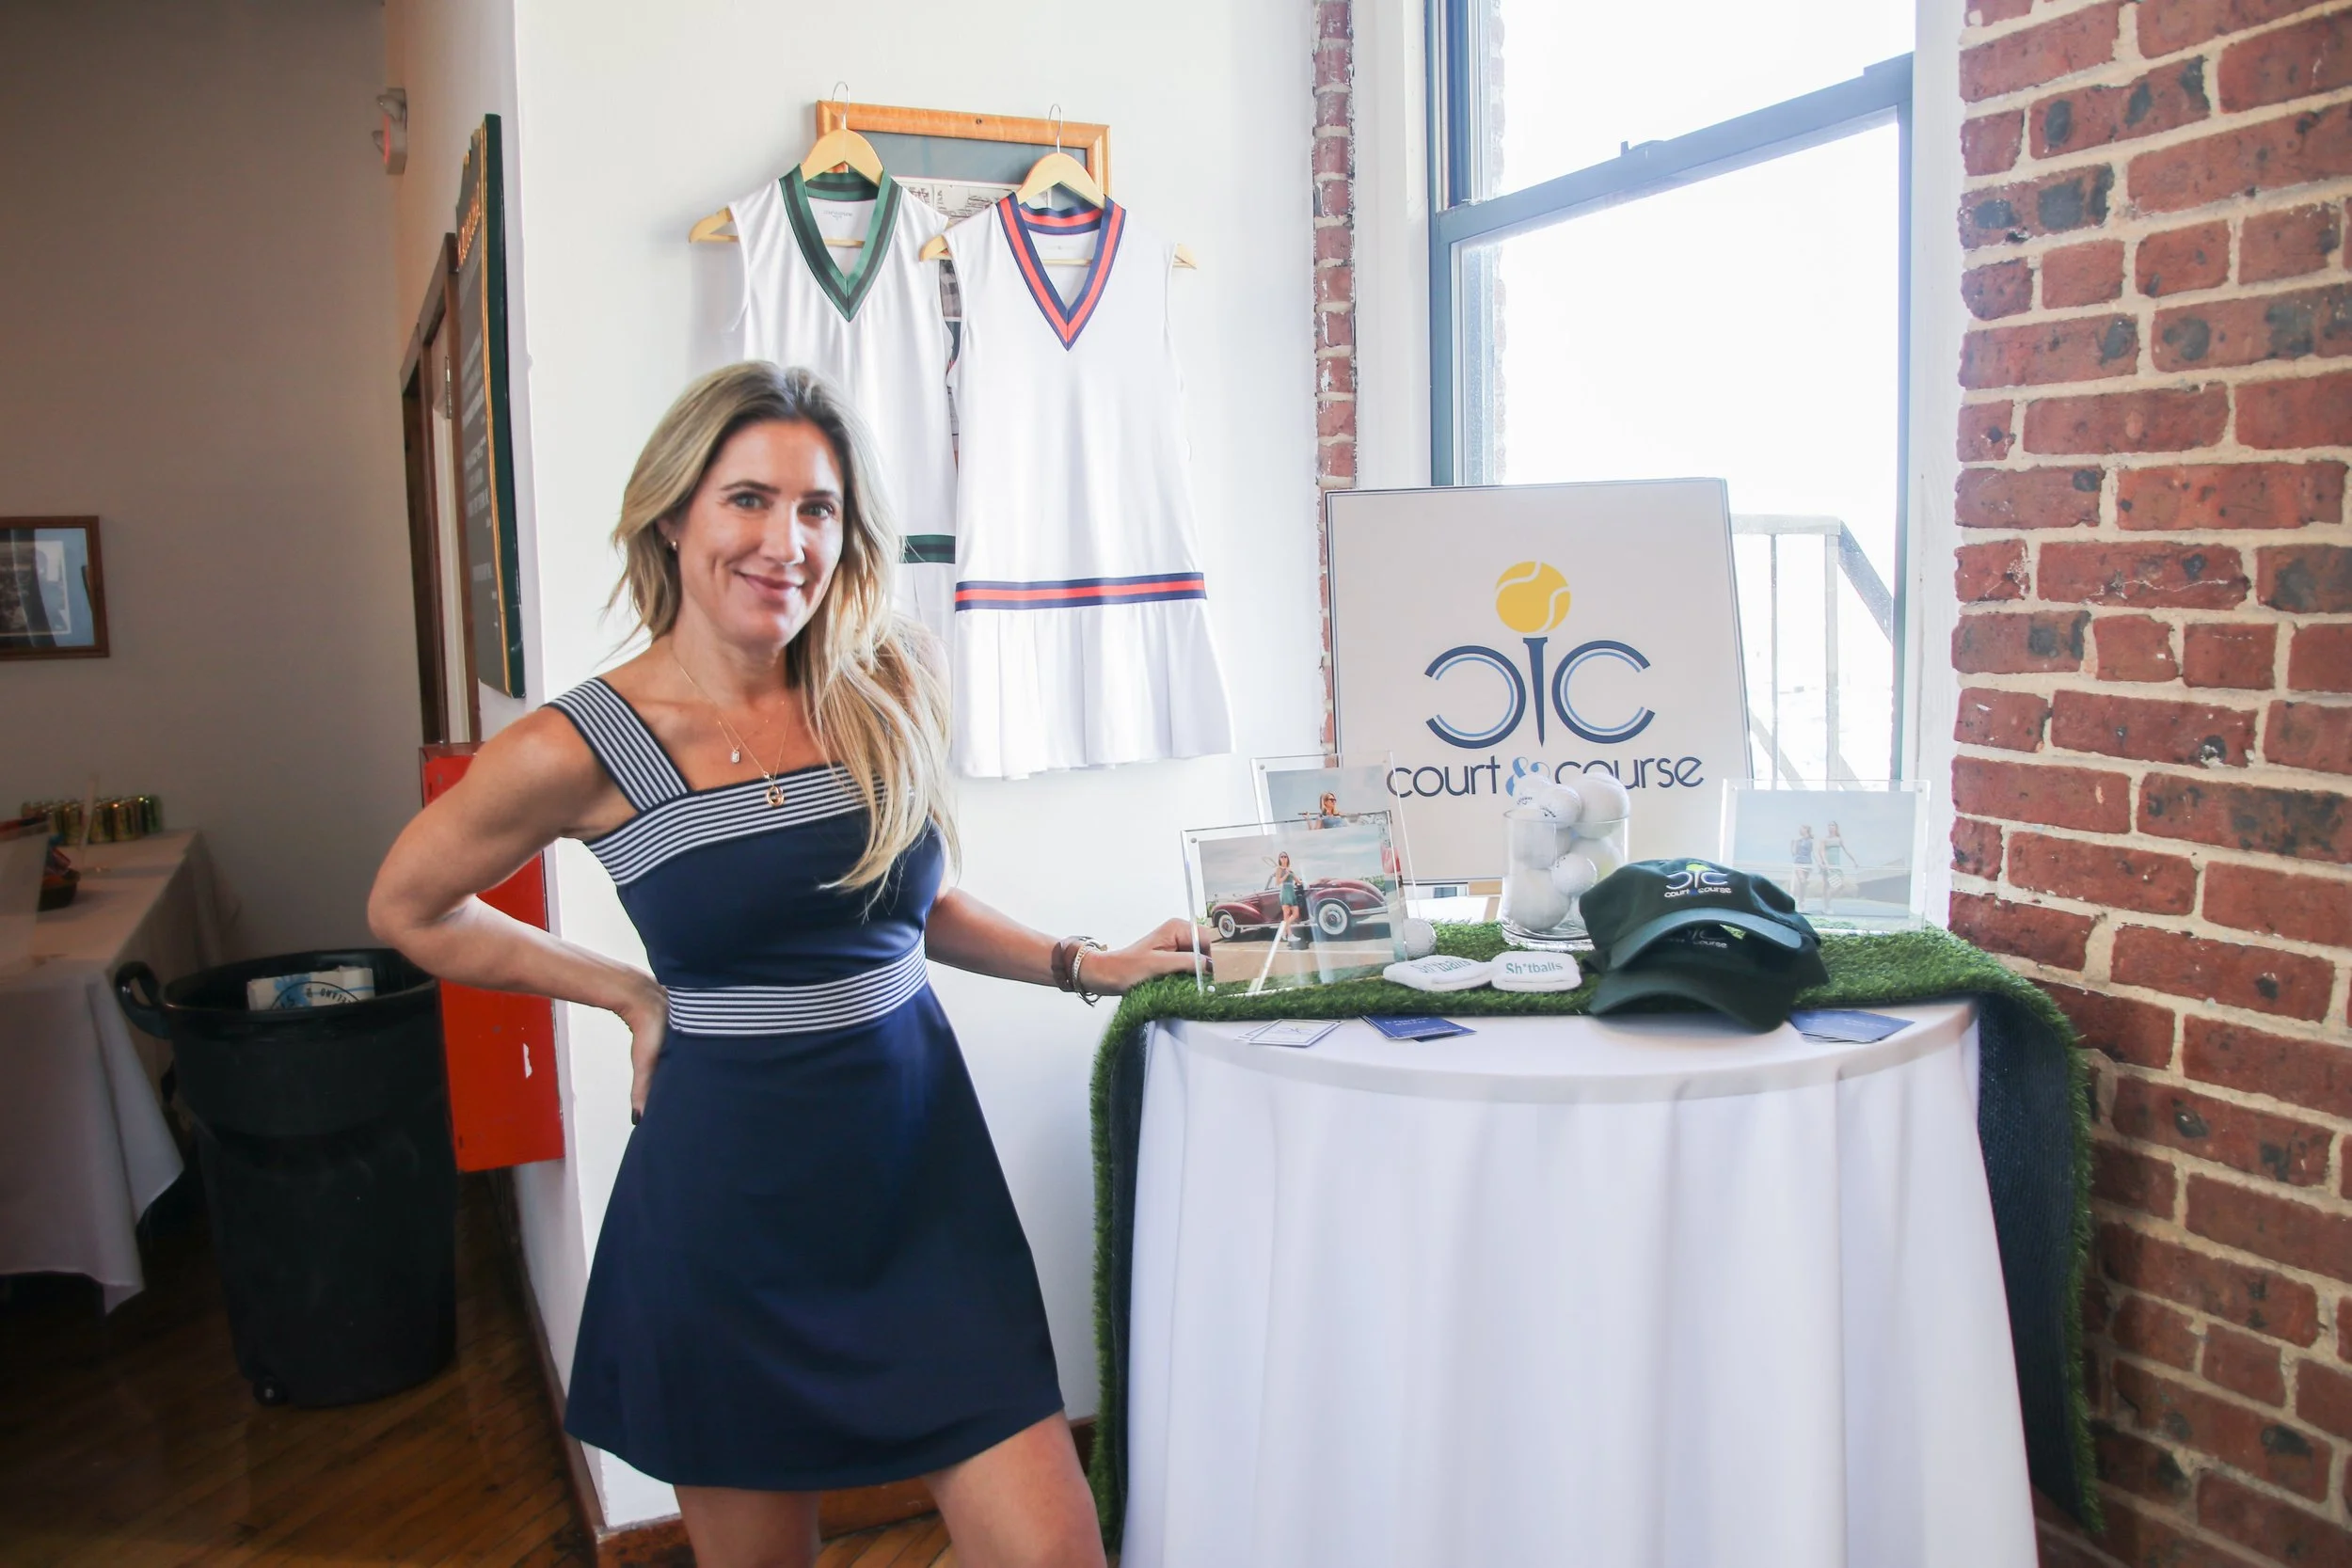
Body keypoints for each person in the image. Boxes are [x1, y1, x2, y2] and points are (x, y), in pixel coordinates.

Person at [368, 363, 1192, 1568]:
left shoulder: (881, 678)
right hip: (728, 1215)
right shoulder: (580, 744)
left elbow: (909, 906)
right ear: (673, 513)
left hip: (923, 1187)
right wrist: (624, 991)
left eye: (817, 509)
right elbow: (409, 903)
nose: (786, 541)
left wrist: (1084, 960)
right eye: (747, 499)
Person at [1821, 819, 1850, 915]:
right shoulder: (1825, 839)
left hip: (1837, 865)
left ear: (1836, 827)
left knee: (1840, 885)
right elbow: (1822, 852)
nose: (1830, 827)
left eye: (1832, 825)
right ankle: (1827, 906)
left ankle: (1826, 903)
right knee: (1827, 886)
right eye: (1829, 825)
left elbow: (1846, 850)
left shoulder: (1839, 839)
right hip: (1827, 865)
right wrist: (1825, 863)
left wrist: (1854, 861)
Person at [1789, 824, 1817, 909]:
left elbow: (1814, 852)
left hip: (1807, 862)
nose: (1800, 830)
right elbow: (1794, 853)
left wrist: (1819, 863)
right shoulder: (1798, 840)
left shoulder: (1811, 841)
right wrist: (1792, 844)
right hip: (1798, 862)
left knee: (1803, 884)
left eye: (1802, 829)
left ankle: (1801, 900)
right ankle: (1799, 900)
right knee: (1802, 880)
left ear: (1806, 830)